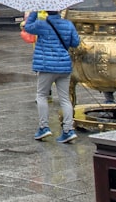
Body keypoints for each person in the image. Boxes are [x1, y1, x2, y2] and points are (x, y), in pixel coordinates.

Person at [24, 9, 81, 143]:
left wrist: (34, 12)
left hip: (46, 66)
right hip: (64, 65)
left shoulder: (41, 24)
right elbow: (75, 43)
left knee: (41, 95)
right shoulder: (68, 24)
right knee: (65, 99)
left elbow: (27, 27)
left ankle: (44, 127)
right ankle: (68, 130)